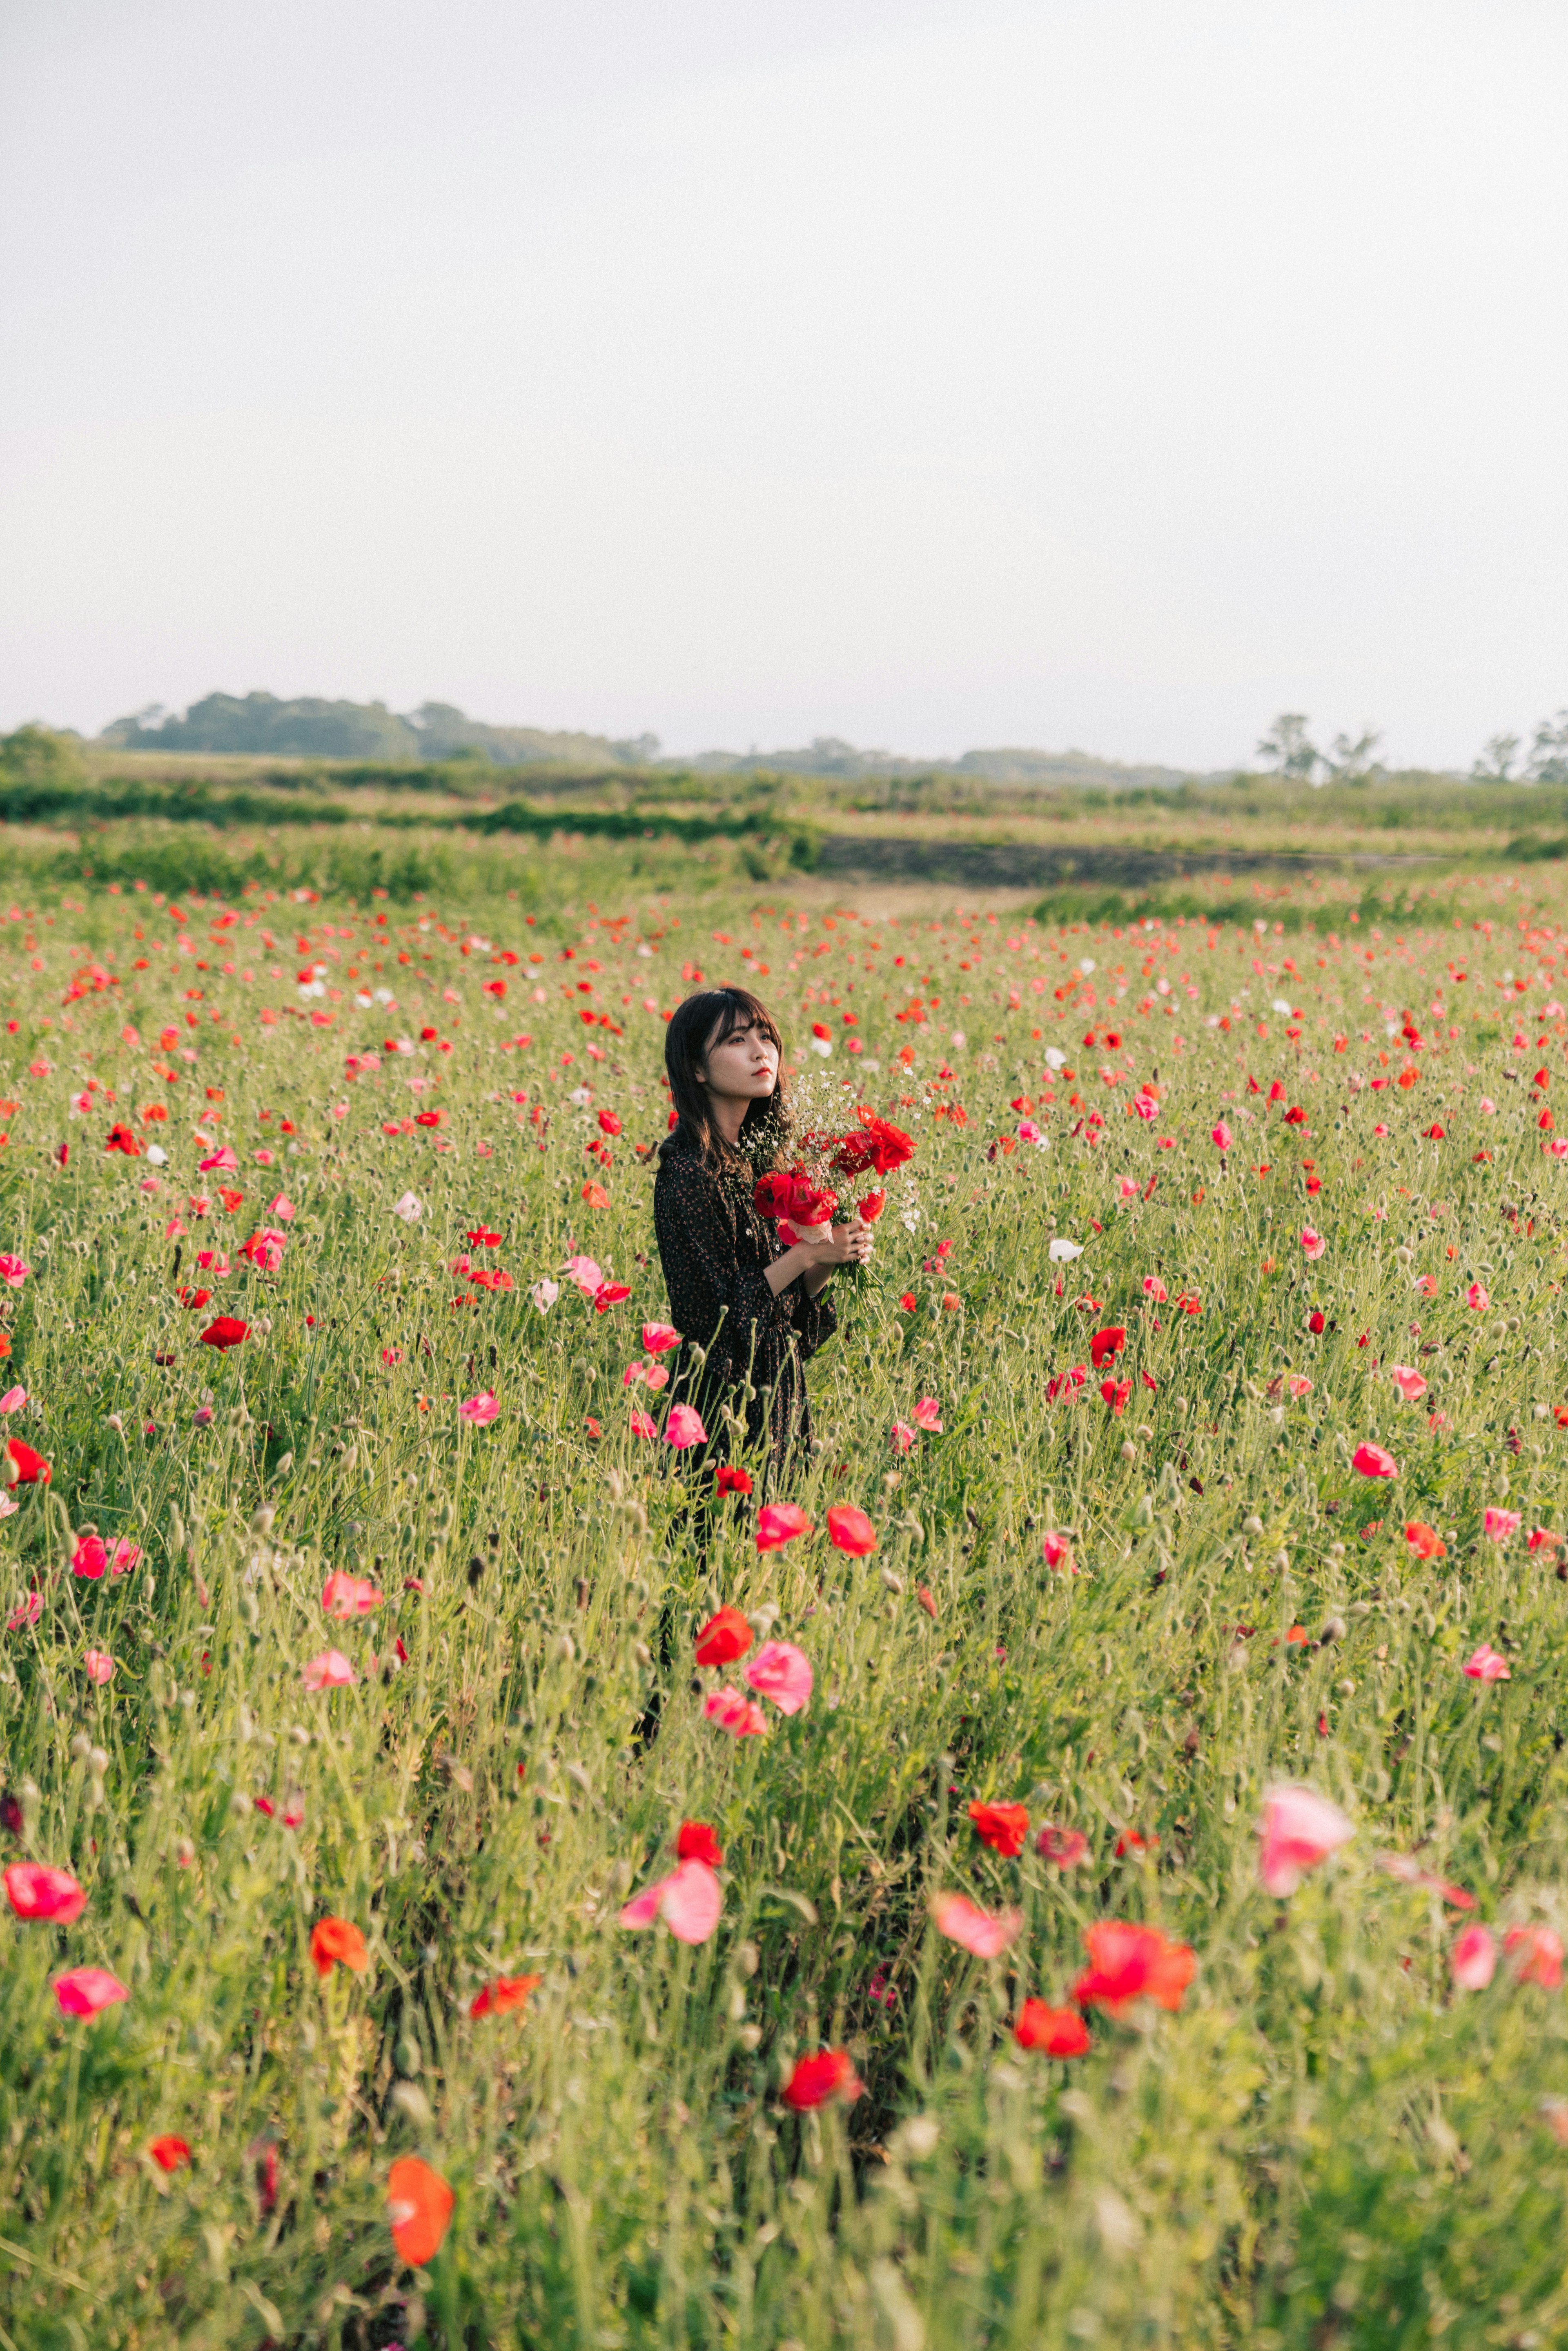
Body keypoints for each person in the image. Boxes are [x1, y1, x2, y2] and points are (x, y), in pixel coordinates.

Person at [653, 985, 872, 1482]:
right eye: (736, 1040)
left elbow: (786, 1320)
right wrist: (804, 1255)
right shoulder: (687, 1171)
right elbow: (715, 1317)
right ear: (696, 1069)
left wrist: (828, 1259)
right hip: (716, 1407)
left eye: (765, 1037)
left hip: (777, 1399)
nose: (760, 1052)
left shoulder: (764, 1166)